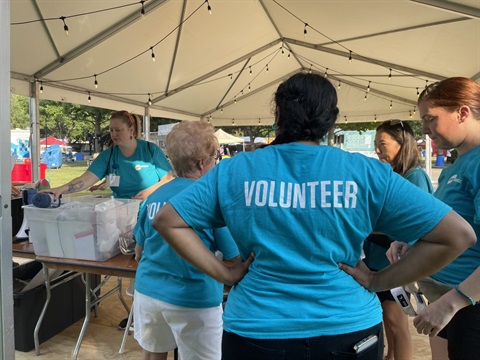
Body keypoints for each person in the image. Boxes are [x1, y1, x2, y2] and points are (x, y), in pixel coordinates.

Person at [152, 72, 475, 360]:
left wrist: (223, 274)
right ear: (331, 118)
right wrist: (379, 281)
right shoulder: (364, 171)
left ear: (279, 115)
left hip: (258, 325)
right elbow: (456, 235)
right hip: (347, 326)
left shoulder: (237, 169)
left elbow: (167, 220)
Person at [132, 121, 247, 360]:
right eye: (215, 157)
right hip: (192, 298)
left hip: (148, 293)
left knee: (153, 354)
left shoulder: (153, 197)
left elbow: (139, 251)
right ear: (202, 163)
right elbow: (234, 257)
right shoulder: (209, 200)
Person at [385, 77, 480, 359]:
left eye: (430, 119)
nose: (424, 130)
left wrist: (454, 301)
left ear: (462, 113)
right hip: (448, 296)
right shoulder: (459, 162)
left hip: (468, 304)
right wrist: (415, 242)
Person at [364, 120, 433, 360]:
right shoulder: (392, 175)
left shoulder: (415, 176)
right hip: (377, 262)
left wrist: (369, 224)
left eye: (382, 144)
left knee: (397, 324)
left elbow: (417, 225)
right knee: (388, 323)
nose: (378, 150)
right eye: (375, 145)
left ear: (403, 143)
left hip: (394, 265)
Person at [45, 110, 172, 201]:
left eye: (118, 130)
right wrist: (60, 189)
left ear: (131, 130)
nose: (113, 134)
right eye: (111, 130)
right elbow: (86, 179)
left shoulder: (150, 150)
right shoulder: (108, 155)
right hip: (122, 213)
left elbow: (168, 180)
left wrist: (149, 192)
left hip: (151, 211)